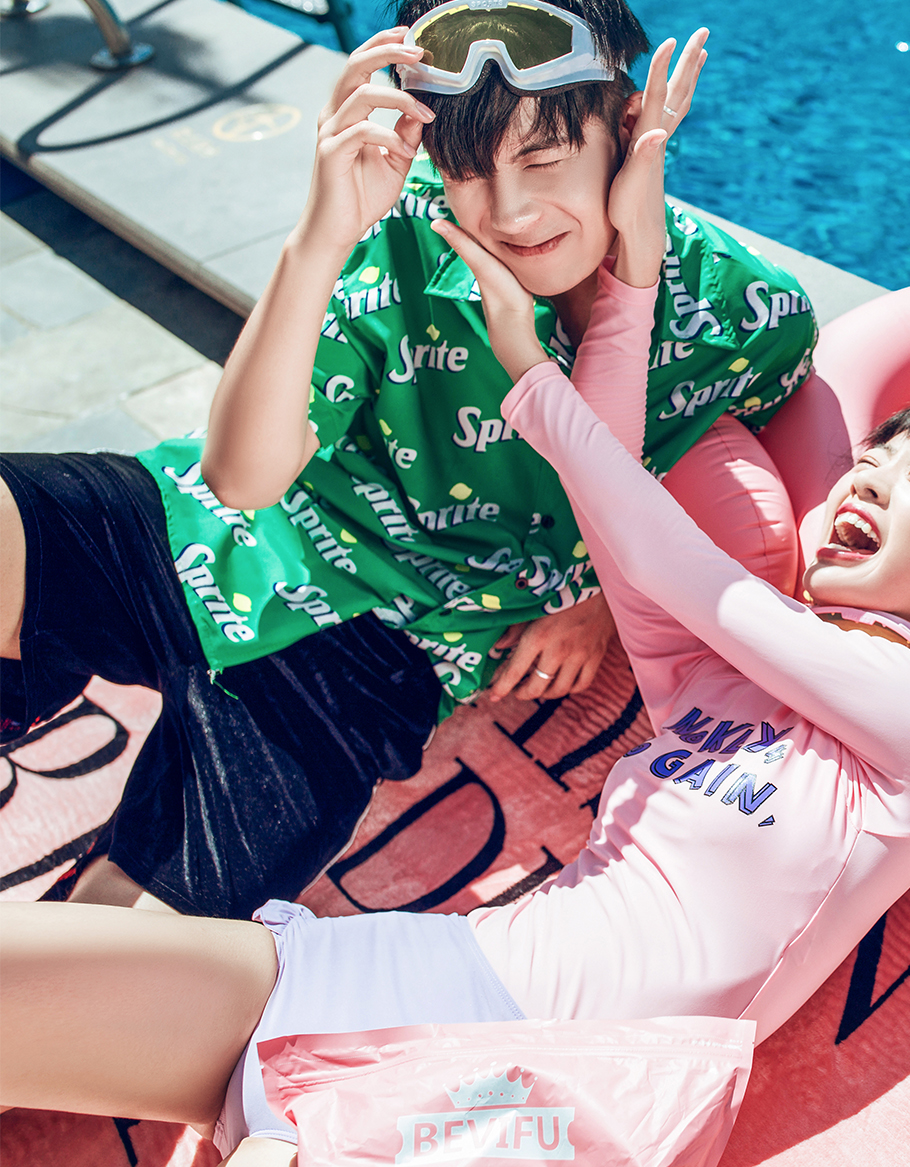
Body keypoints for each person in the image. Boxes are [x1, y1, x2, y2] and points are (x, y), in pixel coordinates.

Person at [0, 33, 910, 1167]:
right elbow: (624, 537)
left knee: (239, 1141)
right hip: (401, 964)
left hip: (555, 1075)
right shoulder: (717, 685)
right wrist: (616, 277)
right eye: (873, 463)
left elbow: (666, 560)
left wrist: (532, 371)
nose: (865, 484)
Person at [0, 0, 816, 920]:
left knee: (121, 953)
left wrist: (593, 598)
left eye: (544, 159)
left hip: (382, 649)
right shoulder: (408, 228)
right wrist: (321, 235)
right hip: (215, 524)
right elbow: (241, 482)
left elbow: (747, 470)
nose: (510, 212)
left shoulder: (745, 317)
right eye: (468, 171)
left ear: (627, 130)